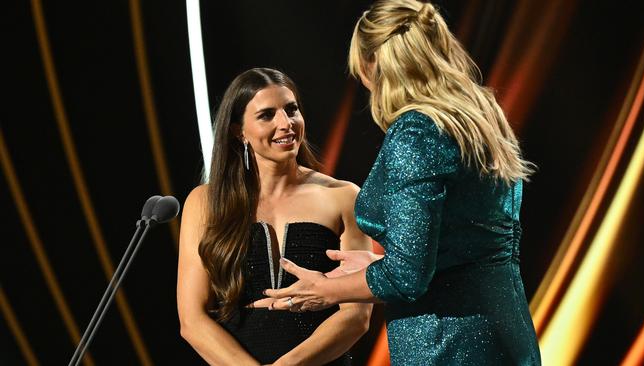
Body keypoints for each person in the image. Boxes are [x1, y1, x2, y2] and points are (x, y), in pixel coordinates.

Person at [263, 1, 542, 364]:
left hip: (447, 342)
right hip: (505, 329)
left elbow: (407, 279)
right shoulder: (479, 115)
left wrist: (326, 290)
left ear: (374, 63)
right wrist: (376, 265)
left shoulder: (417, 131)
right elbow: (467, 242)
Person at [177, 68, 373, 365]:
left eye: (291, 110)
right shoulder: (205, 202)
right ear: (238, 131)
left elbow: (356, 315)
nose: (286, 123)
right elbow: (192, 319)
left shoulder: (343, 195)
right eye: (267, 115)